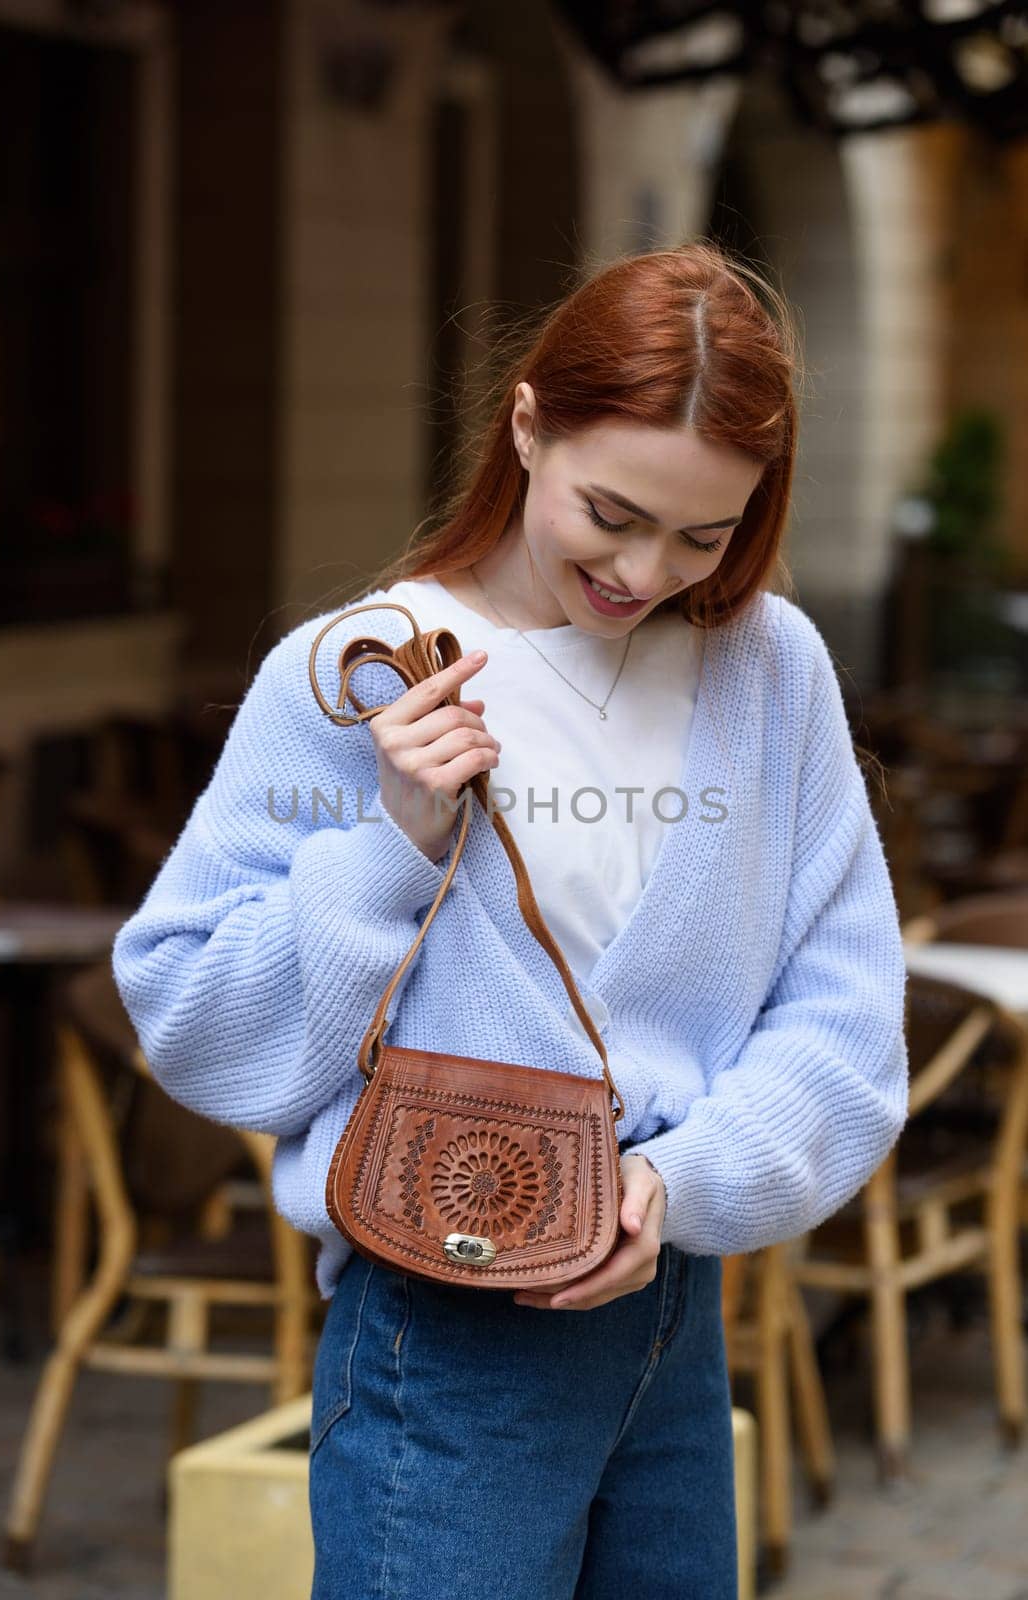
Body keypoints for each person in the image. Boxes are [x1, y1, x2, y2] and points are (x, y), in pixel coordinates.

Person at [112, 240, 909, 1598]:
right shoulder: (360, 671)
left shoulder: (770, 667)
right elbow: (194, 1020)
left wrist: (683, 1182)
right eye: (613, 513)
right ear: (528, 425)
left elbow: (842, 1014)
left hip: (670, 1305)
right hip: (446, 1317)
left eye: (704, 534)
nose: (644, 570)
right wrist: (392, 849)